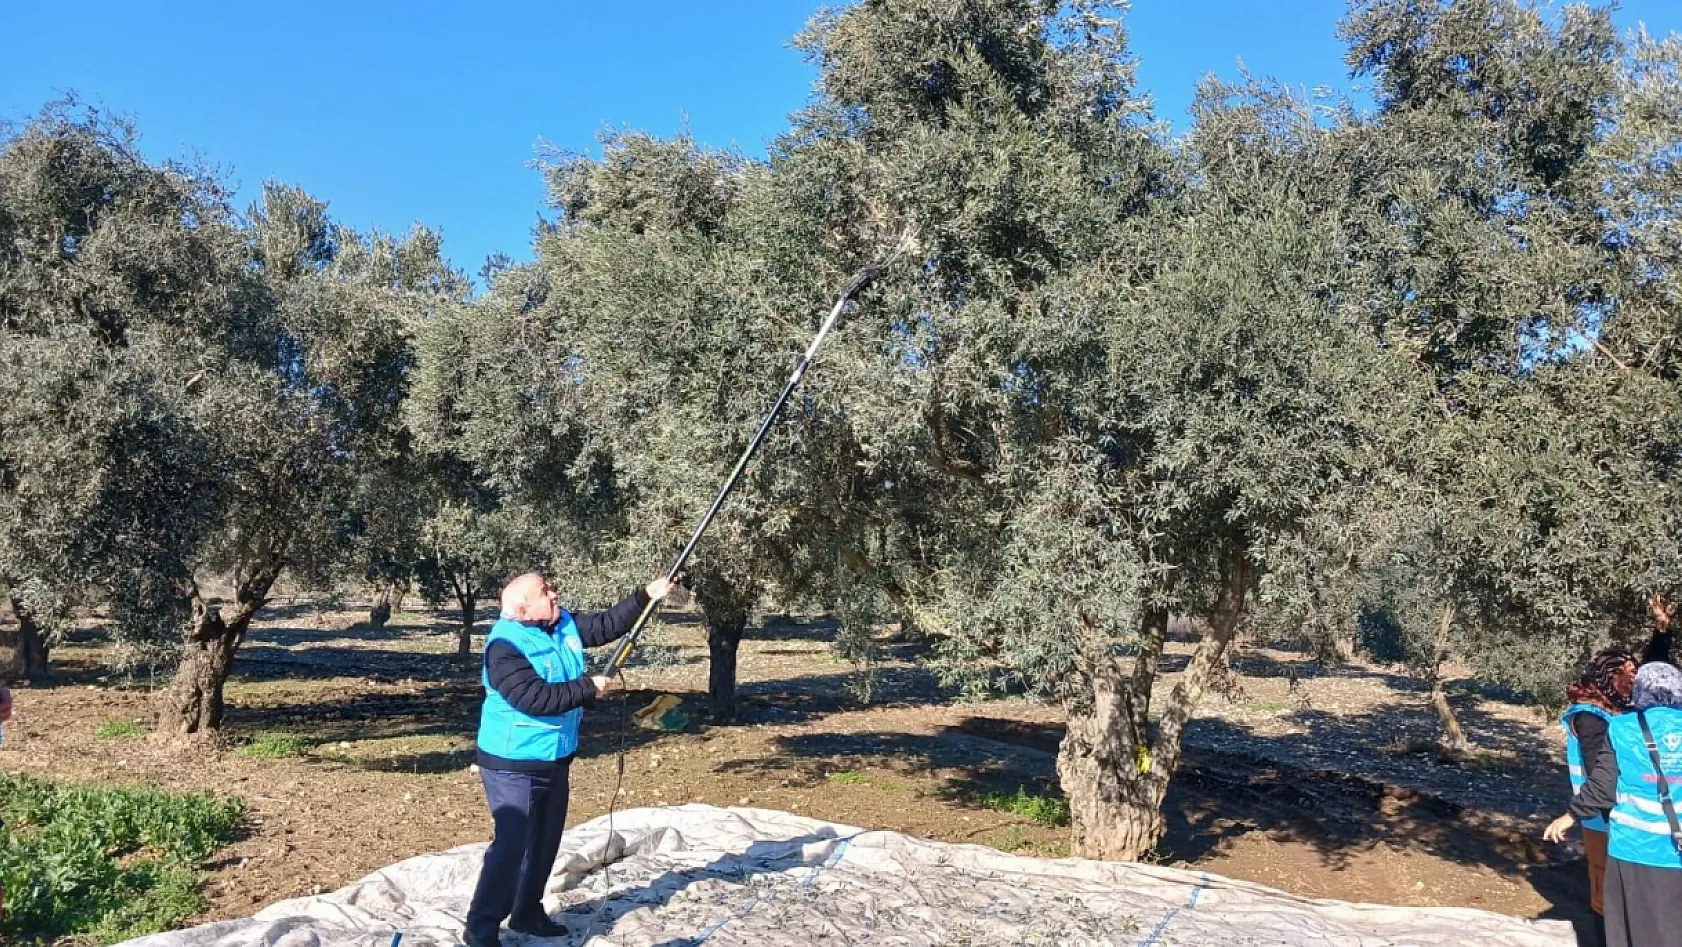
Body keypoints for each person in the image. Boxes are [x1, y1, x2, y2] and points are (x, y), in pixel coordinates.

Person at [464, 572, 673, 947]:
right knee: (511, 846)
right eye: (545, 591)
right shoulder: (504, 647)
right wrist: (587, 688)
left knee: (544, 842)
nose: (554, 592)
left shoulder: (561, 623)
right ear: (524, 608)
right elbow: (534, 699)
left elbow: (608, 624)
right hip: (512, 762)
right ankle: (481, 928)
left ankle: (527, 912)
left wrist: (647, 595)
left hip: (555, 759)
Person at [1595, 662, 1682, 947]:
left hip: (1634, 848)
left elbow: (1602, 787)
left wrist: (1571, 815)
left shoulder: (1621, 728)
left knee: (1632, 929)